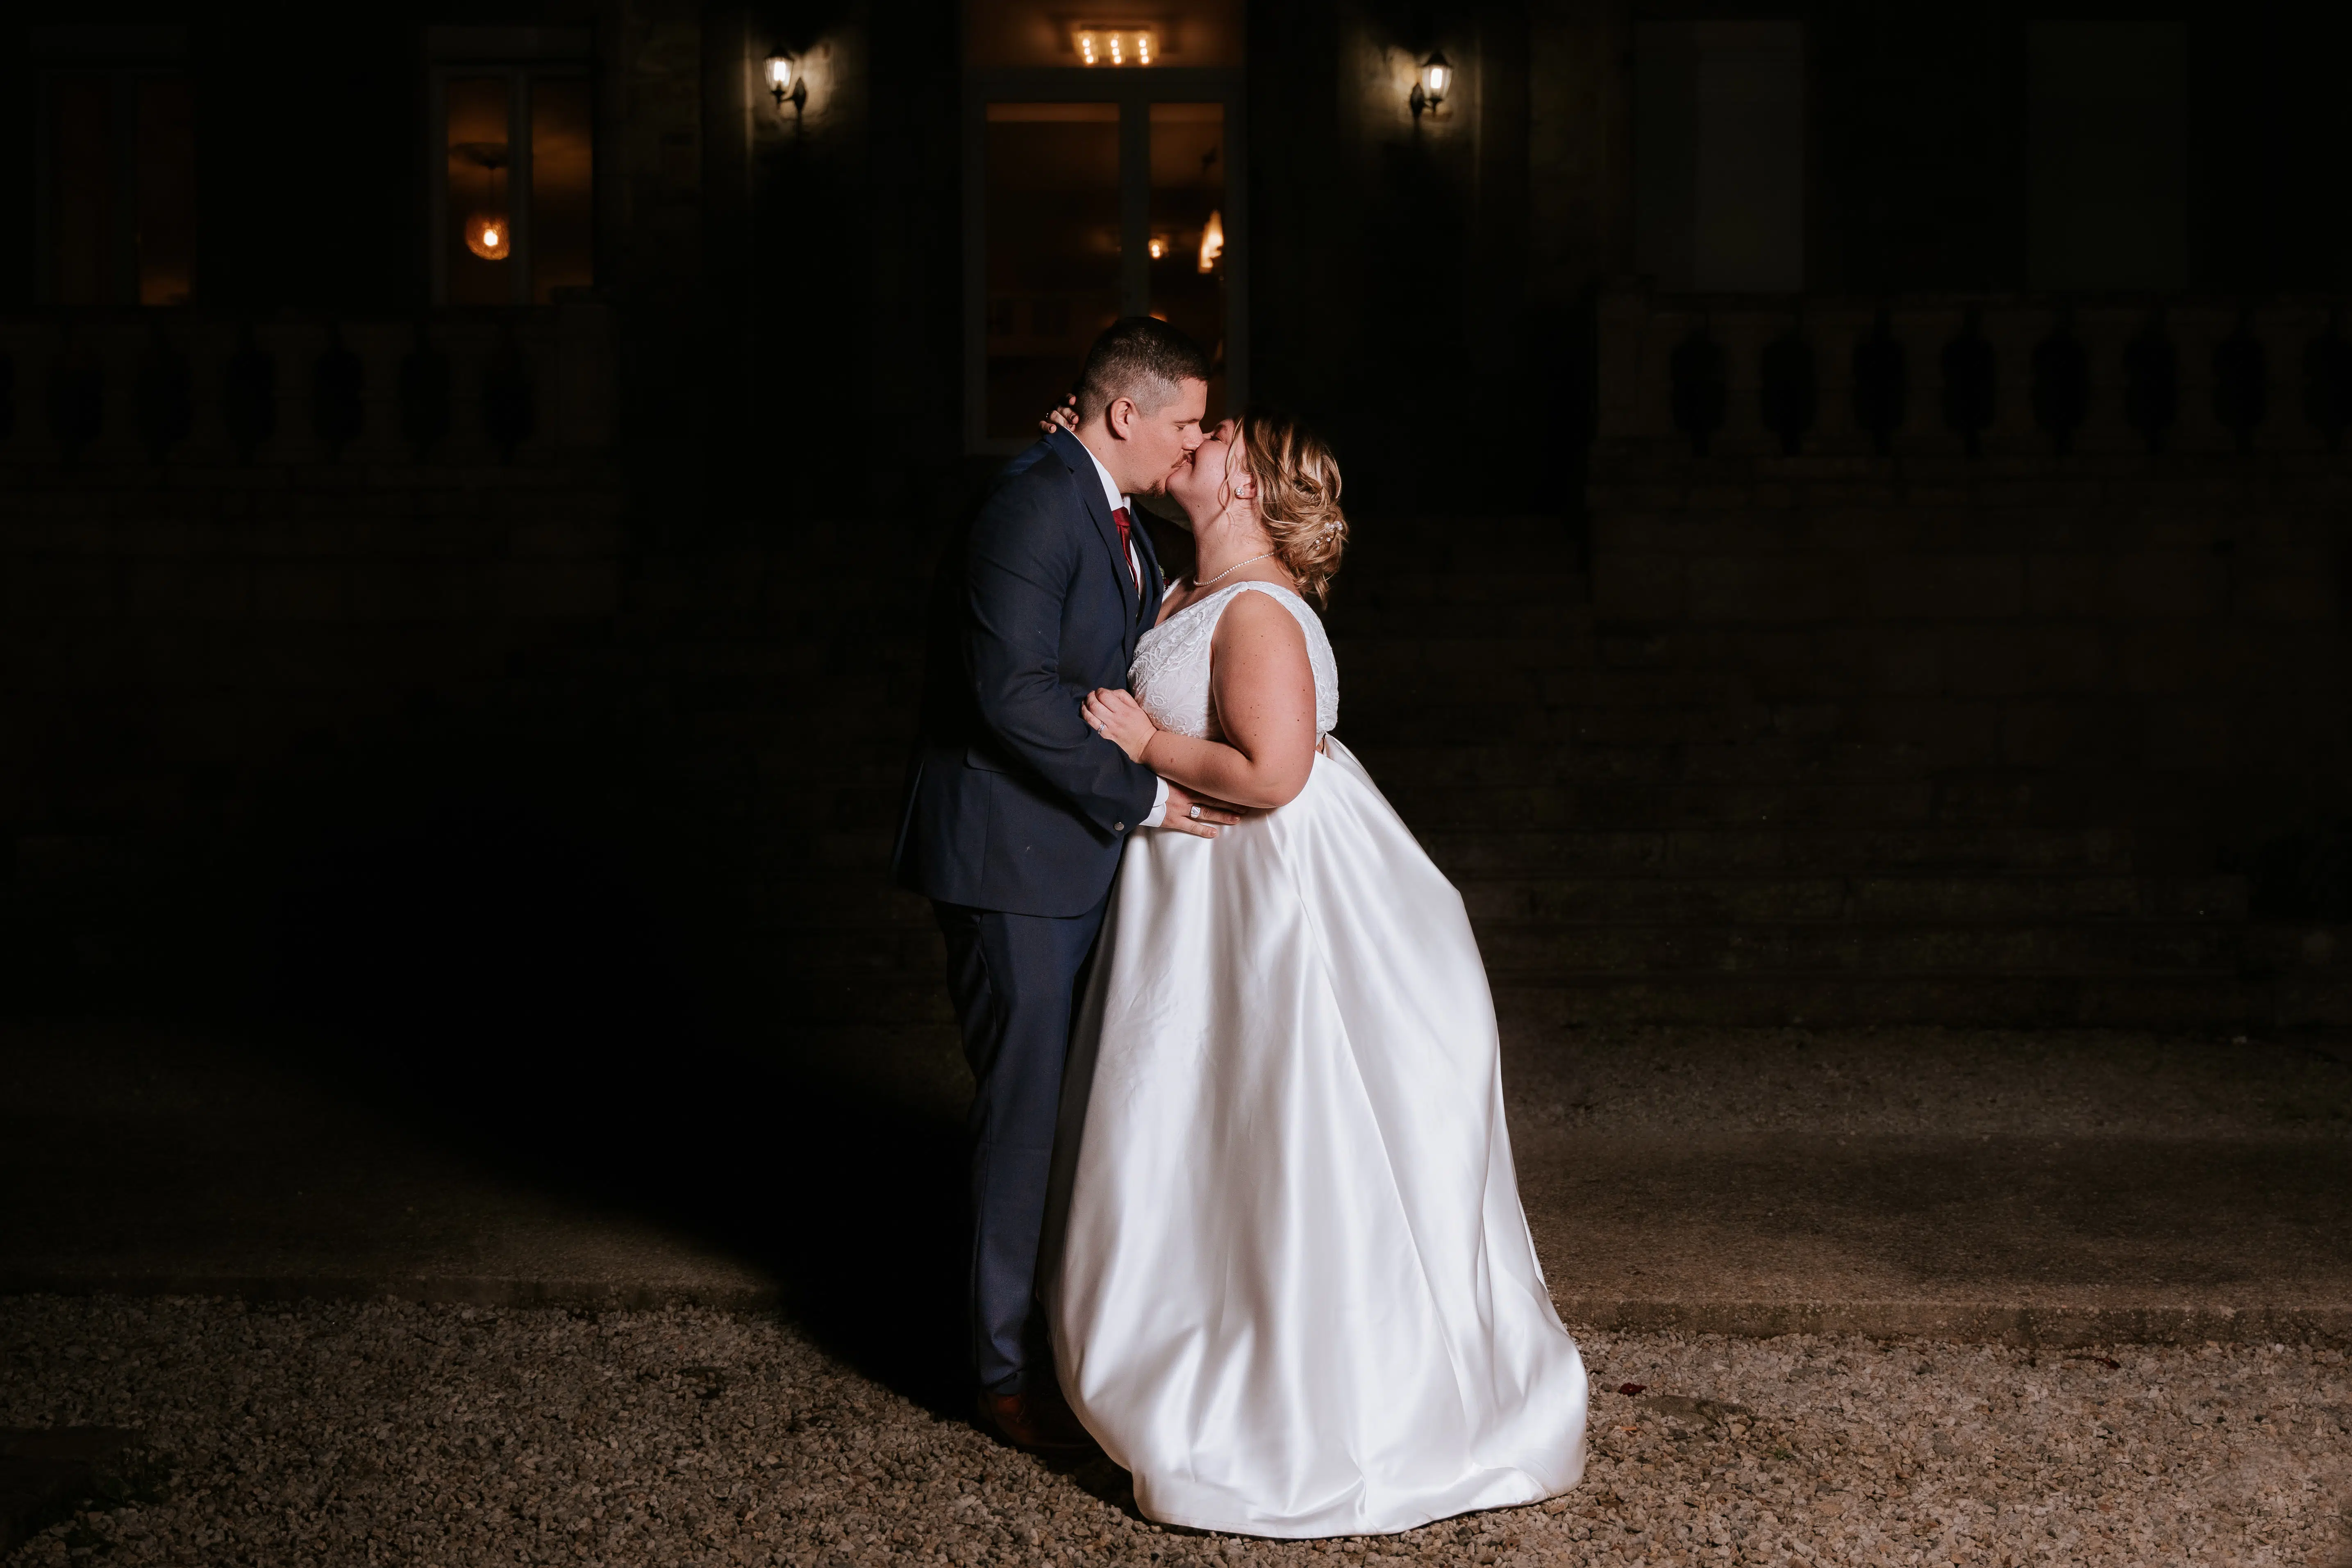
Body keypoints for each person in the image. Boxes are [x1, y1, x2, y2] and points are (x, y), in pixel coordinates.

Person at [1048, 409, 1591, 1536]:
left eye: (1214, 437)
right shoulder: (1183, 588)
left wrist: (1148, 750)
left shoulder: (1254, 611)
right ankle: (1210, 1346)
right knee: (1208, 1124)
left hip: (1273, 893)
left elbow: (1278, 770)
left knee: (1295, 1122)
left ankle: (1322, 1399)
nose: (1192, 441)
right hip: (1199, 892)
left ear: (1246, 483)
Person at [892, 317, 1242, 1449]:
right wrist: (1147, 795)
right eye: (1183, 420)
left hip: (1074, 857)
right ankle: (1000, 1373)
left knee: (1085, 1106)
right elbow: (1013, 696)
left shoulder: (1104, 502)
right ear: (1124, 413)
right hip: (1014, 861)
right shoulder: (1038, 500)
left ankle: (1075, 1333)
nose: (1194, 441)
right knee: (1026, 1114)